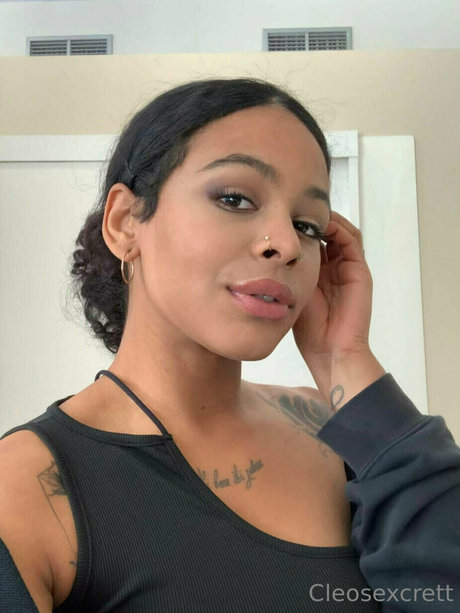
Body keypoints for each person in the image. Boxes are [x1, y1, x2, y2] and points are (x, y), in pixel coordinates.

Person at [0, 77, 459, 612]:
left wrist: (344, 359)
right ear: (125, 223)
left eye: (307, 225)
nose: (286, 244)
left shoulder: (338, 432)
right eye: (234, 198)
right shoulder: (26, 487)